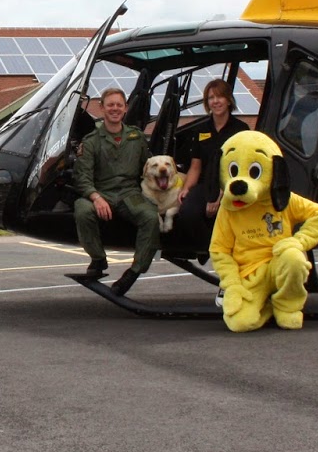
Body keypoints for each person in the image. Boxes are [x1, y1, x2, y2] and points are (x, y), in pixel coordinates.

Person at [72, 87, 161, 292]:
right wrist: (96, 197)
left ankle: (134, 271)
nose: (115, 109)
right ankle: (98, 259)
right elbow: (82, 178)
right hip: (102, 192)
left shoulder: (136, 137)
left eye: (119, 105)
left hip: (130, 194)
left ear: (125, 108)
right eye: (110, 105)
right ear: (102, 108)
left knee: (150, 217)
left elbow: (147, 169)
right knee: (82, 209)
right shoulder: (91, 141)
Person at [170, 78, 247, 257]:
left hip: (231, 185)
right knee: (187, 213)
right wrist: (186, 188)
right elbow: (195, 166)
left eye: (220, 97)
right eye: (211, 98)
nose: (215, 101)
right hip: (206, 184)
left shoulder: (241, 129)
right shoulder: (201, 130)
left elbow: (242, 167)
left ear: (229, 100)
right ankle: (209, 249)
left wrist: (220, 194)